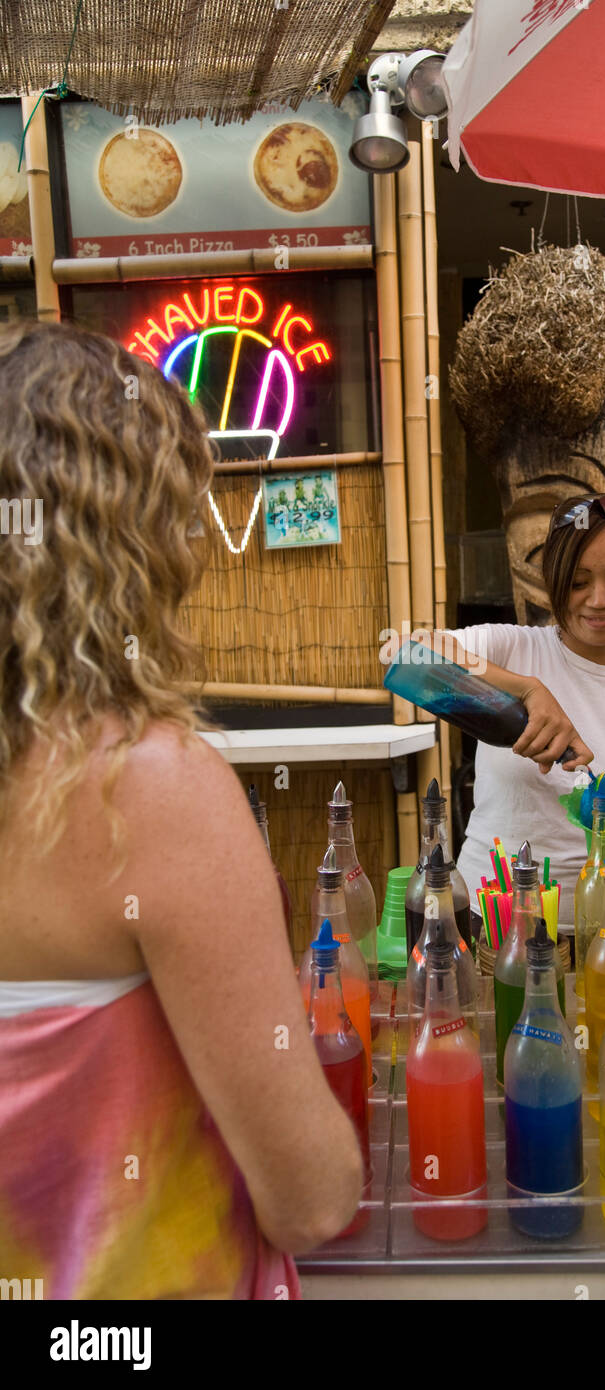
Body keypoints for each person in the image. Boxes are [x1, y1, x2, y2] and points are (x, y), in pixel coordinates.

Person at [0, 320, 363, 1300]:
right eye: (179, 508)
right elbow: (312, 1199)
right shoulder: (144, 787)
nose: (197, 540)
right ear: (127, 537)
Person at [439, 494, 605, 931]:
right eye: (578, 582)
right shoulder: (512, 649)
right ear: (551, 581)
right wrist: (527, 689)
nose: (599, 599)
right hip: (488, 924)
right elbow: (404, 653)